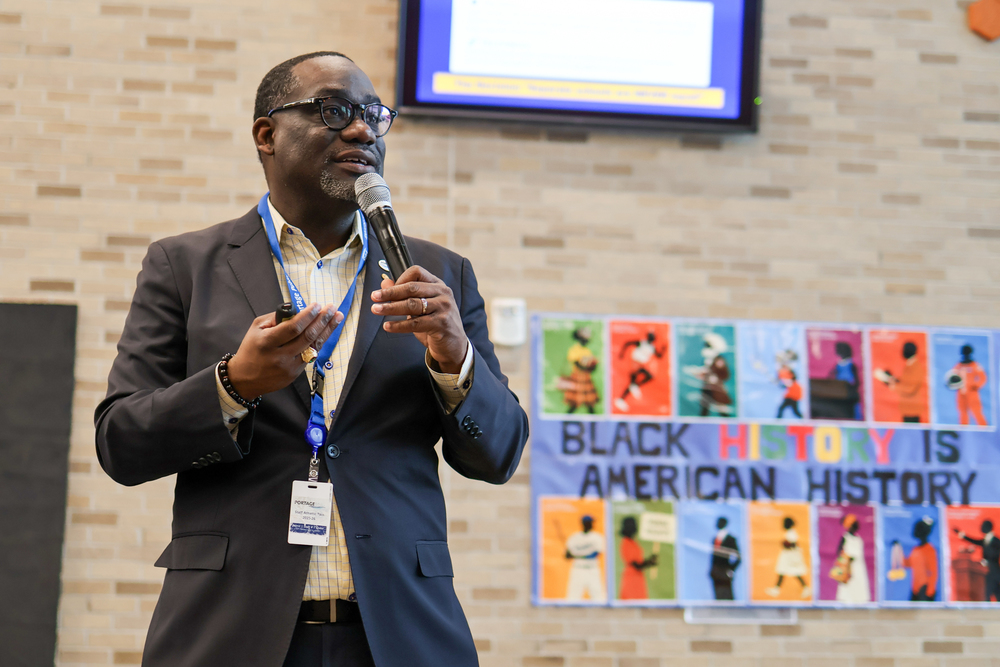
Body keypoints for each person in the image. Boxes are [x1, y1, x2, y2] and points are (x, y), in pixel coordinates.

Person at [94, 52, 528, 667]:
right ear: (266, 135)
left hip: (399, 634)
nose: (362, 130)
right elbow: (121, 444)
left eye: (374, 116)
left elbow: (499, 454)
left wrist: (455, 358)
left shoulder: (438, 277)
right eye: (334, 111)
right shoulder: (184, 267)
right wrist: (232, 385)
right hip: (230, 630)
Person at [614, 331, 666, 412]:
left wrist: (663, 349)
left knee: (633, 384)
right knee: (637, 381)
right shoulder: (642, 343)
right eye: (650, 337)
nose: (651, 339)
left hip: (641, 364)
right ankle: (623, 398)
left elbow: (659, 355)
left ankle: (621, 399)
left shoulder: (652, 347)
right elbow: (628, 343)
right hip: (635, 363)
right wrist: (622, 353)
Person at [875, 341, 926, 423]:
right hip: (906, 409)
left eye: (905, 350)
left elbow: (910, 388)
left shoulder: (916, 367)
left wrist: (894, 386)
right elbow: (906, 381)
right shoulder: (909, 365)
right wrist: (893, 379)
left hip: (912, 410)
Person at [894, 516, 938, 602]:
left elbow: (933, 572)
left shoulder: (930, 549)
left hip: (925, 589)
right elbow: (906, 563)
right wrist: (898, 548)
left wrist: (929, 592)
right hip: (915, 589)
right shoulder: (915, 550)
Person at [766, 517, 810, 599]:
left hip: (791, 557)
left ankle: (806, 588)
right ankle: (776, 590)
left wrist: (785, 544)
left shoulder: (791, 533)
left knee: (796, 573)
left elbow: (793, 544)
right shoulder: (789, 532)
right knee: (781, 572)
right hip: (787, 556)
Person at [565, 515, 606, 601]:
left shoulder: (597, 537)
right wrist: (570, 554)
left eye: (591, 522)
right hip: (578, 570)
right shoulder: (574, 537)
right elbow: (567, 555)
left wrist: (577, 555)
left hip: (592, 570)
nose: (591, 524)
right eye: (588, 523)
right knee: (573, 598)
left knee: (599, 598)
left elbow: (594, 555)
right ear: (583, 523)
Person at [560, 326, 600, 413]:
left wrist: (593, 365)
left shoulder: (587, 351)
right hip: (577, 378)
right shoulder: (574, 350)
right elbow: (578, 365)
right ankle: (566, 422)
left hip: (586, 378)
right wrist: (588, 365)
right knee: (574, 403)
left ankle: (593, 425)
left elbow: (591, 366)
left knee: (590, 403)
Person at [957, 519, 1000, 601]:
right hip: (987, 571)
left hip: (994, 571)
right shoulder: (985, 540)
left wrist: (987, 561)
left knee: (991, 591)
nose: (981, 528)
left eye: (983, 526)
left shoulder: (996, 541)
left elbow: (996, 553)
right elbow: (975, 541)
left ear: (988, 527)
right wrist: (963, 536)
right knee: (994, 591)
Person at [946, 344, 988, 426]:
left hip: (972, 393)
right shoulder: (958, 366)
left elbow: (983, 377)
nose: (966, 355)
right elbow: (950, 377)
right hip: (960, 394)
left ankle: (984, 429)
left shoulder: (975, 365)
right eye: (964, 354)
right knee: (962, 414)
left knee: (977, 413)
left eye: (967, 354)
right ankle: (964, 431)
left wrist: (976, 386)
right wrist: (953, 385)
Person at [833, 514, 871, 604]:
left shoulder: (858, 539)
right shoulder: (845, 537)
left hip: (857, 567)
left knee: (857, 584)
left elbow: (859, 553)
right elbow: (839, 550)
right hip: (846, 566)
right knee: (847, 585)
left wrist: (853, 559)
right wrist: (846, 559)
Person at [618, 517, 656, 599]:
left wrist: (649, 560)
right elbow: (636, 565)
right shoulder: (626, 543)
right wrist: (649, 563)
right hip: (632, 578)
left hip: (638, 577)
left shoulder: (633, 542)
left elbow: (639, 561)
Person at [709, 517, 741, 601]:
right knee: (718, 597)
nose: (717, 524)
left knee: (727, 596)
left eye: (719, 522)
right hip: (715, 572)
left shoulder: (731, 539)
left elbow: (738, 557)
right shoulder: (715, 538)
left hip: (725, 572)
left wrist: (731, 569)